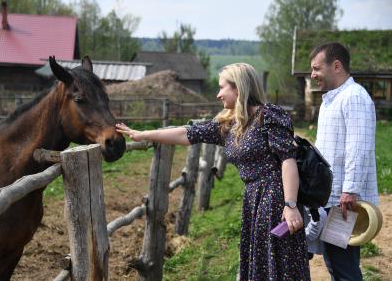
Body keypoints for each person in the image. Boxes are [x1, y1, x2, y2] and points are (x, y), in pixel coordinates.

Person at [116, 63, 310, 280]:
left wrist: (290, 205)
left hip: (276, 198)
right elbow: (187, 134)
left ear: (238, 88)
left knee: (281, 263)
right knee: (261, 263)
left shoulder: (269, 116)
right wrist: (144, 134)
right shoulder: (230, 125)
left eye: (221, 87)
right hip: (253, 200)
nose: (218, 94)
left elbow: (288, 160)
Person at [310, 42, 379, 280]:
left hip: (343, 202)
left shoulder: (354, 98)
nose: (313, 75)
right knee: (335, 264)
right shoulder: (331, 100)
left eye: (317, 68)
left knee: (343, 268)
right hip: (331, 197)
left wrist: (350, 191)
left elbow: (358, 148)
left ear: (336, 66)